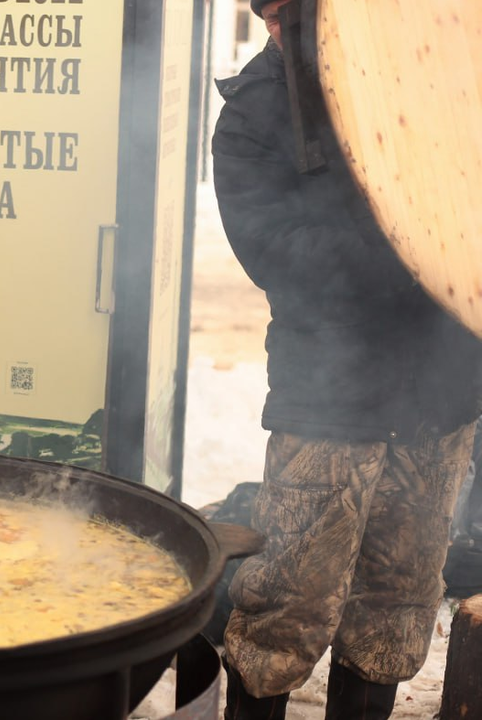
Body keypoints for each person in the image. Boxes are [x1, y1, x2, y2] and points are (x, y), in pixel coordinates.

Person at [211, 1, 482, 718]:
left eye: (292, 13)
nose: (281, 30)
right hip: (328, 406)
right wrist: (406, 253)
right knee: (285, 610)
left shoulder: (431, 77)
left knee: (396, 608)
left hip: (442, 396)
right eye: (271, 17)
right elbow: (272, 248)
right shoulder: (255, 110)